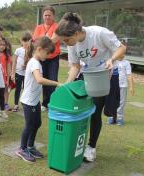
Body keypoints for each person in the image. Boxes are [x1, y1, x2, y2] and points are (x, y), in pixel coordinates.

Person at [55, 12, 126, 162]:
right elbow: (75, 66)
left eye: (67, 40)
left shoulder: (99, 33)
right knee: (81, 110)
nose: (65, 43)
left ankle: (91, 147)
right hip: (87, 77)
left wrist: (111, 59)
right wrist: (66, 85)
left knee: (95, 112)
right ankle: (79, 142)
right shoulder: (73, 45)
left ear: (75, 33)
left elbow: (121, 49)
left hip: (104, 76)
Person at [15, 36, 61, 163]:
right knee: (30, 125)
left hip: (34, 100)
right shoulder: (34, 63)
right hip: (28, 101)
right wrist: (55, 83)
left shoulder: (37, 62)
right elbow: (39, 79)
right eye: (47, 53)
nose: (48, 56)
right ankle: (22, 149)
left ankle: (30, 146)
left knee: (37, 123)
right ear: (40, 49)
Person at [33, 6, 61, 112]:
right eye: (45, 15)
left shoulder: (57, 26)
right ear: (42, 16)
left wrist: (44, 40)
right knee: (43, 79)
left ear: (53, 16)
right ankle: (45, 103)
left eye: (49, 15)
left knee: (53, 79)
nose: (47, 17)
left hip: (53, 58)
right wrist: (48, 39)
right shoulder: (39, 27)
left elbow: (54, 40)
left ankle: (52, 103)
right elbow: (35, 41)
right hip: (42, 58)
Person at [107, 58, 134, 125]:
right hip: (113, 85)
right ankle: (111, 117)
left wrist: (131, 87)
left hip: (123, 86)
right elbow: (108, 72)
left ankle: (119, 118)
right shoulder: (112, 61)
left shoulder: (126, 62)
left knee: (121, 102)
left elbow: (129, 75)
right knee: (112, 101)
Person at [11, 32, 32, 112]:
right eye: (24, 40)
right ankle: (16, 105)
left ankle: (26, 104)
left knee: (26, 89)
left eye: (28, 41)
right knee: (18, 89)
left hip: (27, 74)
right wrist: (13, 73)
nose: (26, 42)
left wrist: (26, 66)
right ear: (21, 41)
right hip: (18, 73)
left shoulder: (31, 51)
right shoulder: (18, 50)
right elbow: (14, 62)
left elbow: (32, 62)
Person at [0, 37, 11, 118]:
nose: (2, 46)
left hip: (4, 79)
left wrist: (8, 80)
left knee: (2, 95)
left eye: (3, 45)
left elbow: (8, 68)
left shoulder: (7, 56)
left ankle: (2, 110)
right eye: (0, 45)